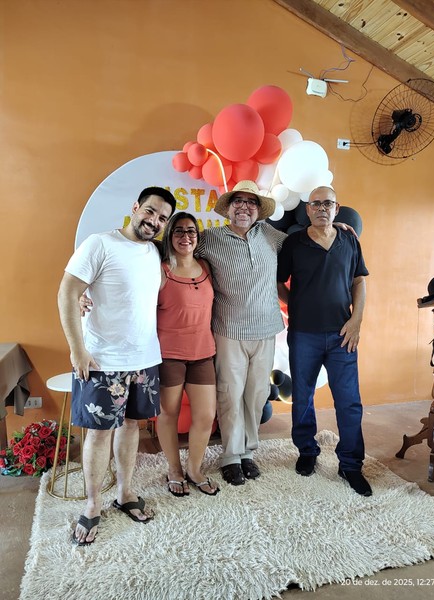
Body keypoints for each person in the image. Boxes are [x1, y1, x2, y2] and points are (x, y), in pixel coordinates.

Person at [57, 186, 176, 545]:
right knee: (98, 433)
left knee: (132, 426)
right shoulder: (100, 244)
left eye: (162, 218)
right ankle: (92, 505)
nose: (154, 221)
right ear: (136, 207)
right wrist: (77, 349)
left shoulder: (155, 252)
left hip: (144, 358)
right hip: (102, 361)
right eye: (150, 211)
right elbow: (67, 292)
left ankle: (125, 493)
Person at [277, 186, 372, 497]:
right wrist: (296, 305)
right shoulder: (294, 243)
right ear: (307, 209)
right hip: (303, 334)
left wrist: (356, 320)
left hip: (343, 335)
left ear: (336, 208)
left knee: (349, 401)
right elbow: (278, 282)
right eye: (315, 204)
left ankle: (350, 464)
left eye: (327, 203)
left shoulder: (349, 240)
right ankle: (307, 451)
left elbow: (359, 281)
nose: (321, 208)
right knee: (302, 397)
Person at [197, 181, 286, 485]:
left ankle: (247, 452)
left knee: (257, 394)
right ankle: (230, 456)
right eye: (238, 201)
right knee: (230, 393)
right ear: (229, 208)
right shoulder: (210, 238)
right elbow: (175, 245)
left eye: (251, 202)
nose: (244, 207)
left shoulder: (270, 235)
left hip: (267, 328)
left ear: (259, 209)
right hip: (229, 329)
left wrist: (335, 226)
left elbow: (305, 243)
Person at [157, 212, 219, 496]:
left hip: (203, 352)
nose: (186, 236)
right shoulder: (160, 270)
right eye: (179, 231)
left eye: (191, 231)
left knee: (205, 416)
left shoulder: (206, 266)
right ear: (169, 235)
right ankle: (174, 469)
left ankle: (194, 469)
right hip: (169, 353)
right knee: (168, 414)